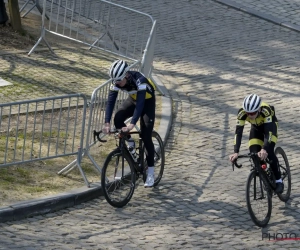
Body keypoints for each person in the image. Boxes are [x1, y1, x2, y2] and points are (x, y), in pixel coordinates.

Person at [102, 59, 156, 187]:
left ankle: (151, 172)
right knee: (118, 119)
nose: (118, 84)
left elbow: (141, 105)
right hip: (133, 99)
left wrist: (132, 124)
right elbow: (110, 102)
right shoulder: (117, 81)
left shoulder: (139, 80)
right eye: (115, 81)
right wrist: (107, 123)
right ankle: (130, 142)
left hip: (146, 101)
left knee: (146, 134)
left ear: (126, 75)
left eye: (119, 81)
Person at [229, 94, 284, 194]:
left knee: (269, 151)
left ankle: (278, 180)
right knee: (254, 153)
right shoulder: (241, 113)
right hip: (256, 129)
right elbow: (238, 133)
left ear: (258, 109)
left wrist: (264, 148)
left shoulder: (266, 110)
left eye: (253, 113)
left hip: (270, 127)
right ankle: (265, 176)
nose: (250, 116)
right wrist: (235, 151)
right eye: (248, 113)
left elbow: (268, 133)